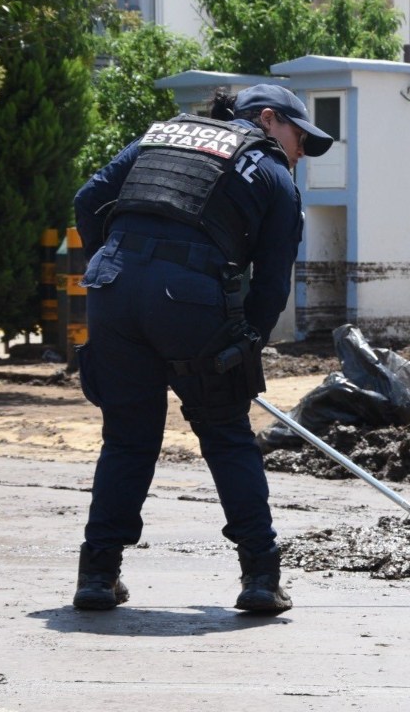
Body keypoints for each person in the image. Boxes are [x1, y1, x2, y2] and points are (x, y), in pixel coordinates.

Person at [70, 84, 333, 614]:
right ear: (266, 119)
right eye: (299, 136)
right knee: (226, 434)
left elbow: (87, 200)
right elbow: (272, 285)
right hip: (189, 302)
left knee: (126, 438)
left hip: (112, 292)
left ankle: (98, 574)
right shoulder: (273, 175)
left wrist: (115, 267)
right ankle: (261, 575)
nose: (301, 150)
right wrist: (247, 345)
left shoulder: (160, 138)